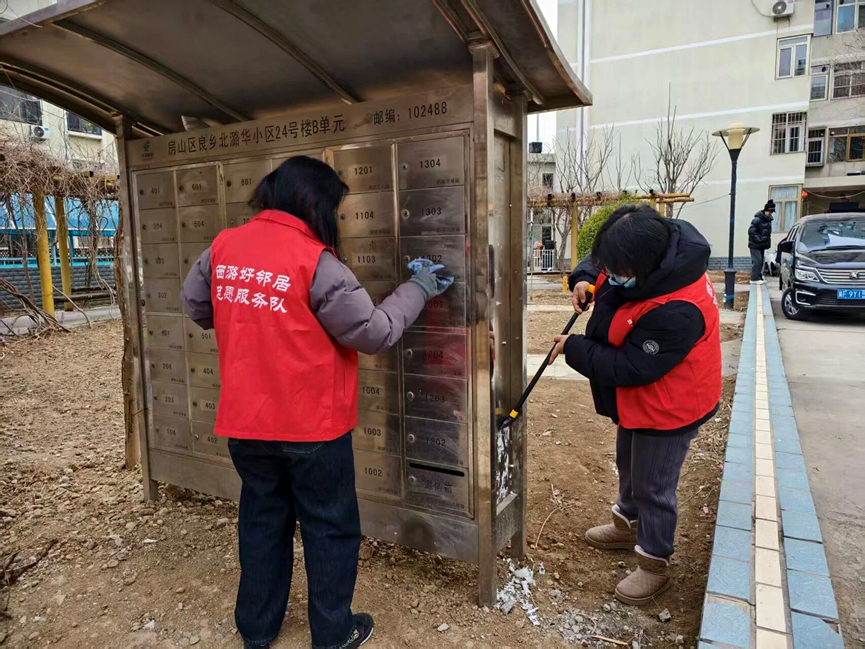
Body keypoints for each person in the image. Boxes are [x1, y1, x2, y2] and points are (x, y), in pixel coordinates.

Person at [181, 156, 453, 649]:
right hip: (313, 428)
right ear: (315, 205)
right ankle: (333, 632)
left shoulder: (223, 247)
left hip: (247, 424)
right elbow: (373, 332)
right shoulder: (316, 261)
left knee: (262, 522)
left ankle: (257, 630)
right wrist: (417, 288)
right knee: (329, 526)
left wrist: (250, 326)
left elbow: (197, 304)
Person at [549, 204, 721, 606]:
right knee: (628, 460)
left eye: (617, 271)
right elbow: (600, 260)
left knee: (653, 484)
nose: (610, 275)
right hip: (640, 401)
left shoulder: (679, 309)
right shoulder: (646, 245)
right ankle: (626, 526)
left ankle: (653, 562)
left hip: (671, 405)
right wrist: (584, 278)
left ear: (643, 267)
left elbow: (632, 366)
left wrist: (574, 348)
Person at [748, 200, 775, 284]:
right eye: (769, 212)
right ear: (766, 210)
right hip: (755, 244)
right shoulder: (757, 219)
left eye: (772, 212)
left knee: (761, 261)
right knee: (757, 261)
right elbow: (751, 231)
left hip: (762, 245)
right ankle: (754, 278)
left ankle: (758, 277)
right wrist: (759, 240)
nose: (770, 213)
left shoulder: (768, 220)